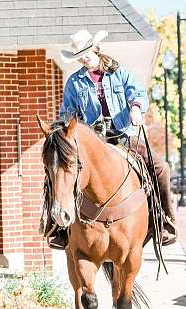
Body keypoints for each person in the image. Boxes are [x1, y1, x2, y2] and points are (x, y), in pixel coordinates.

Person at [48, 29, 178, 249]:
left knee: (161, 167)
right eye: (79, 55)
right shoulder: (74, 82)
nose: (83, 57)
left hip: (123, 136)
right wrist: (62, 129)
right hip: (93, 141)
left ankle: (164, 220)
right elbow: (67, 113)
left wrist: (136, 108)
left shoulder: (119, 73)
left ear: (95, 49)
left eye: (86, 52)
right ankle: (58, 227)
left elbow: (136, 92)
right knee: (58, 166)